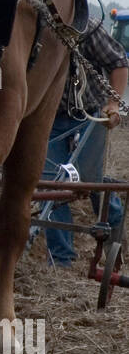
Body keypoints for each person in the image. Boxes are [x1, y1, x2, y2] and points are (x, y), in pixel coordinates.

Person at [43, 21, 128, 267]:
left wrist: (113, 104)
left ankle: (115, 232)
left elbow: (119, 62)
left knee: (91, 180)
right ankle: (61, 258)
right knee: (52, 184)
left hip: (89, 114)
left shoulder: (84, 27)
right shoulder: (35, 27)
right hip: (50, 117)